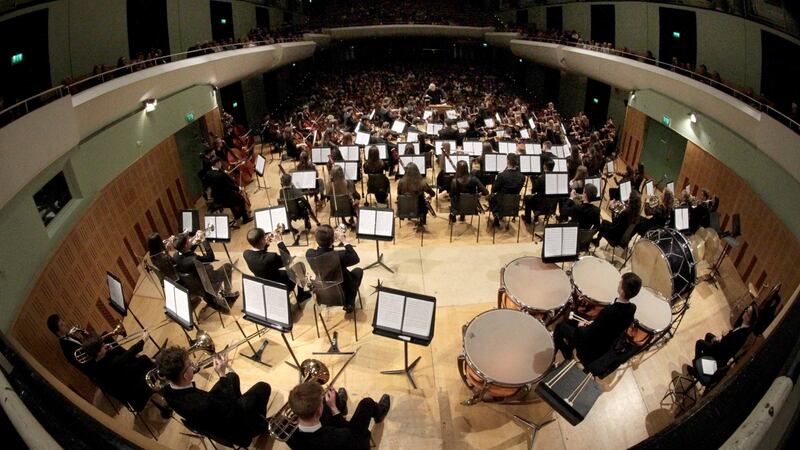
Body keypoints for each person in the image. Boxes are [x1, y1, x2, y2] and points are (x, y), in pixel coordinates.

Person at [155, 346, 271, 447]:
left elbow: (214, 403)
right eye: (190, 364)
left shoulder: (167, 391)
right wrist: (221, 373)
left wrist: (224, 376)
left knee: (232, 377)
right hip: (232, 426)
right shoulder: (203, 403)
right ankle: (260, 425)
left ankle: (249, 414)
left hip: (212, 414)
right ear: (185, 376)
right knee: (263, 387)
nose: (193, 364)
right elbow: (231, 408)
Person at [553, 272, 642, 363]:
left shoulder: (608, 312)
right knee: (574, 321)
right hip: (607, 341)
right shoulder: (632, 308)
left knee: (560, 327)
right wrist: (594, 324)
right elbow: (609, 325)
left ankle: (566, 353)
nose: (618, 283)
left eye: (620, 283)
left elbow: (587, 334)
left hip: (592, 346)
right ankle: (570, 345)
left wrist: (581, 327)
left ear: (622, 291)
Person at [287, 381, 390, 450]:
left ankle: (342, 404)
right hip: (354, 444)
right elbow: (351, 432)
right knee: (367, 403)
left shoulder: (285, 429)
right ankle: (379, 414)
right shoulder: (338, 436)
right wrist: (333, 408)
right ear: (319, 412)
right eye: (321, 404)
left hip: (306, 437)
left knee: (330, 395)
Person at [79, 331, 156, 412]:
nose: (105, 345)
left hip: (124, 382)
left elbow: (119, 360)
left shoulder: (96, 364)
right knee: (143, 360)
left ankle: (155, 365)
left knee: (140, 360)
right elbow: (128, 354)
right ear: (98, 353)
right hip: (132, 392)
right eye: (102, 346)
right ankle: (160, 376)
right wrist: (143, 340)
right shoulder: (108, 366)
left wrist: (110, 350)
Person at [244, 227, 311, 303]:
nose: (266, 237)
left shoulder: (246, 254)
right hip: (281, 284)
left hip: (264, 283)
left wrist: (265, 244)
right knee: (300, 267)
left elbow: (259, 252)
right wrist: (279, 241)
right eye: (264, 236)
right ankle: (301, 296)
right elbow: (287, 259)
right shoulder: (271, 257)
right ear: (262, 240)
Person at [305, 225, 362, 313]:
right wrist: (344, 241)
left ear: (316, 239)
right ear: (332, 240)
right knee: (358, 271)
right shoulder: (338, 256)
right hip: (341, 294)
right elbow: (355, 258)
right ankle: (349, 302)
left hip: (323, 292)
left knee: (344, 272)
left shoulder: (309, 253)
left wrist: (331, 240)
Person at [173, 232, 239, 306]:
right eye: (188, 240)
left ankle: (227, 293)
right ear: (185, 245)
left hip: (196, 285)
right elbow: (210, 258)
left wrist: (195, 244)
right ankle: (228, 293)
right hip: (207, 283)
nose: (190, 240)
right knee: (228, 266)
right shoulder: (194, 260)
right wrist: (204, 240)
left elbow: (186, 253)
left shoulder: (175, 256)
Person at [693, 304, 757, 368]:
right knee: (708, 335)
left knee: (699, 343)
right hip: (722, 347)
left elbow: (726, 349)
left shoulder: (742, 335)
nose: (745, 311)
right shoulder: (741, 324)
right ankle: (704, 359)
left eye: (747, 312)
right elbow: (729, 338)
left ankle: (695, 367)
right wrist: (721, 338)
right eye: (746, 309)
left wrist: (718, 340)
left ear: (750, 319)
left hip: (721, 355)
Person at [206, 157, 251, 224]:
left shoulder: (209, 173)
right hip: (224, 197)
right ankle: (245, 219)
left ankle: (237, 216)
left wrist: (223, 172)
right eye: (220, 163)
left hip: (216, 197)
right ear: (217, 163)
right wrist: (239, 188)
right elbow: (229, 185)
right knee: (240, 199)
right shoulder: (220, 175)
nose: (221, 164)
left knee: (234, 199)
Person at [489, 153, 525, 227]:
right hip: (513, 203)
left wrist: (497, 179)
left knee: (491, 197)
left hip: (501, 201)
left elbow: (493, 190)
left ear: (507, 162)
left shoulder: (502, 175)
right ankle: (501, 215)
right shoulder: (522, 176)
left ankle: (496, 216)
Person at [397, 162, 435, 228]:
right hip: (418, 210)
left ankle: (409, 217)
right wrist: (429, 196)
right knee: (423, 202)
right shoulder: (422, 183)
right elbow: (433, 194)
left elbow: (399, 194)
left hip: (404, 209)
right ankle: (422, 222)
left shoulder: (401, 182)